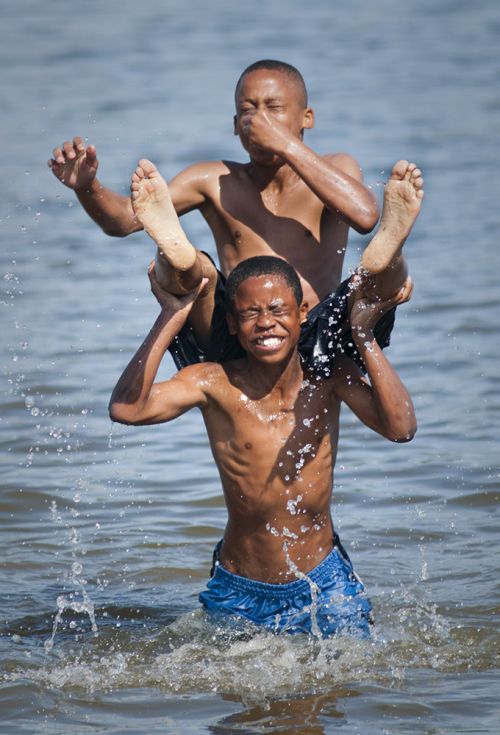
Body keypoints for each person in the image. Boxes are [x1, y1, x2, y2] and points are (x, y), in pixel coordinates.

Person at [108, 177, 418, 638]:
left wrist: (364, 335)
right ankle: (183, 260)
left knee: (370, 290)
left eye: (277, 311)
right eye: (251, 315)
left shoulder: (327, 379)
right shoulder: (212, 382)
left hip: (323, 584)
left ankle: (387, 255)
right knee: (237, 705)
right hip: (239, 586)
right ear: (232, 324)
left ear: (301, 315)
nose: (266, 323)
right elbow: (127, 410)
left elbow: (401, 428)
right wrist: (172, 315)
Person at [48, 59, 423, 375]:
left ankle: (391, 254)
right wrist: (87, 187)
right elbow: (125, 221)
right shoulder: (213, 180)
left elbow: (364, 215)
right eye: (247, 110)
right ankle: (176, 255)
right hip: (239, 336)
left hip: (320, 330)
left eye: (273, 108)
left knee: (376, 278)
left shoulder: (336, 167)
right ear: (233, 124)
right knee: (199, 273)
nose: (258, 120)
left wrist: (284, 144)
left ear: (306, 117)